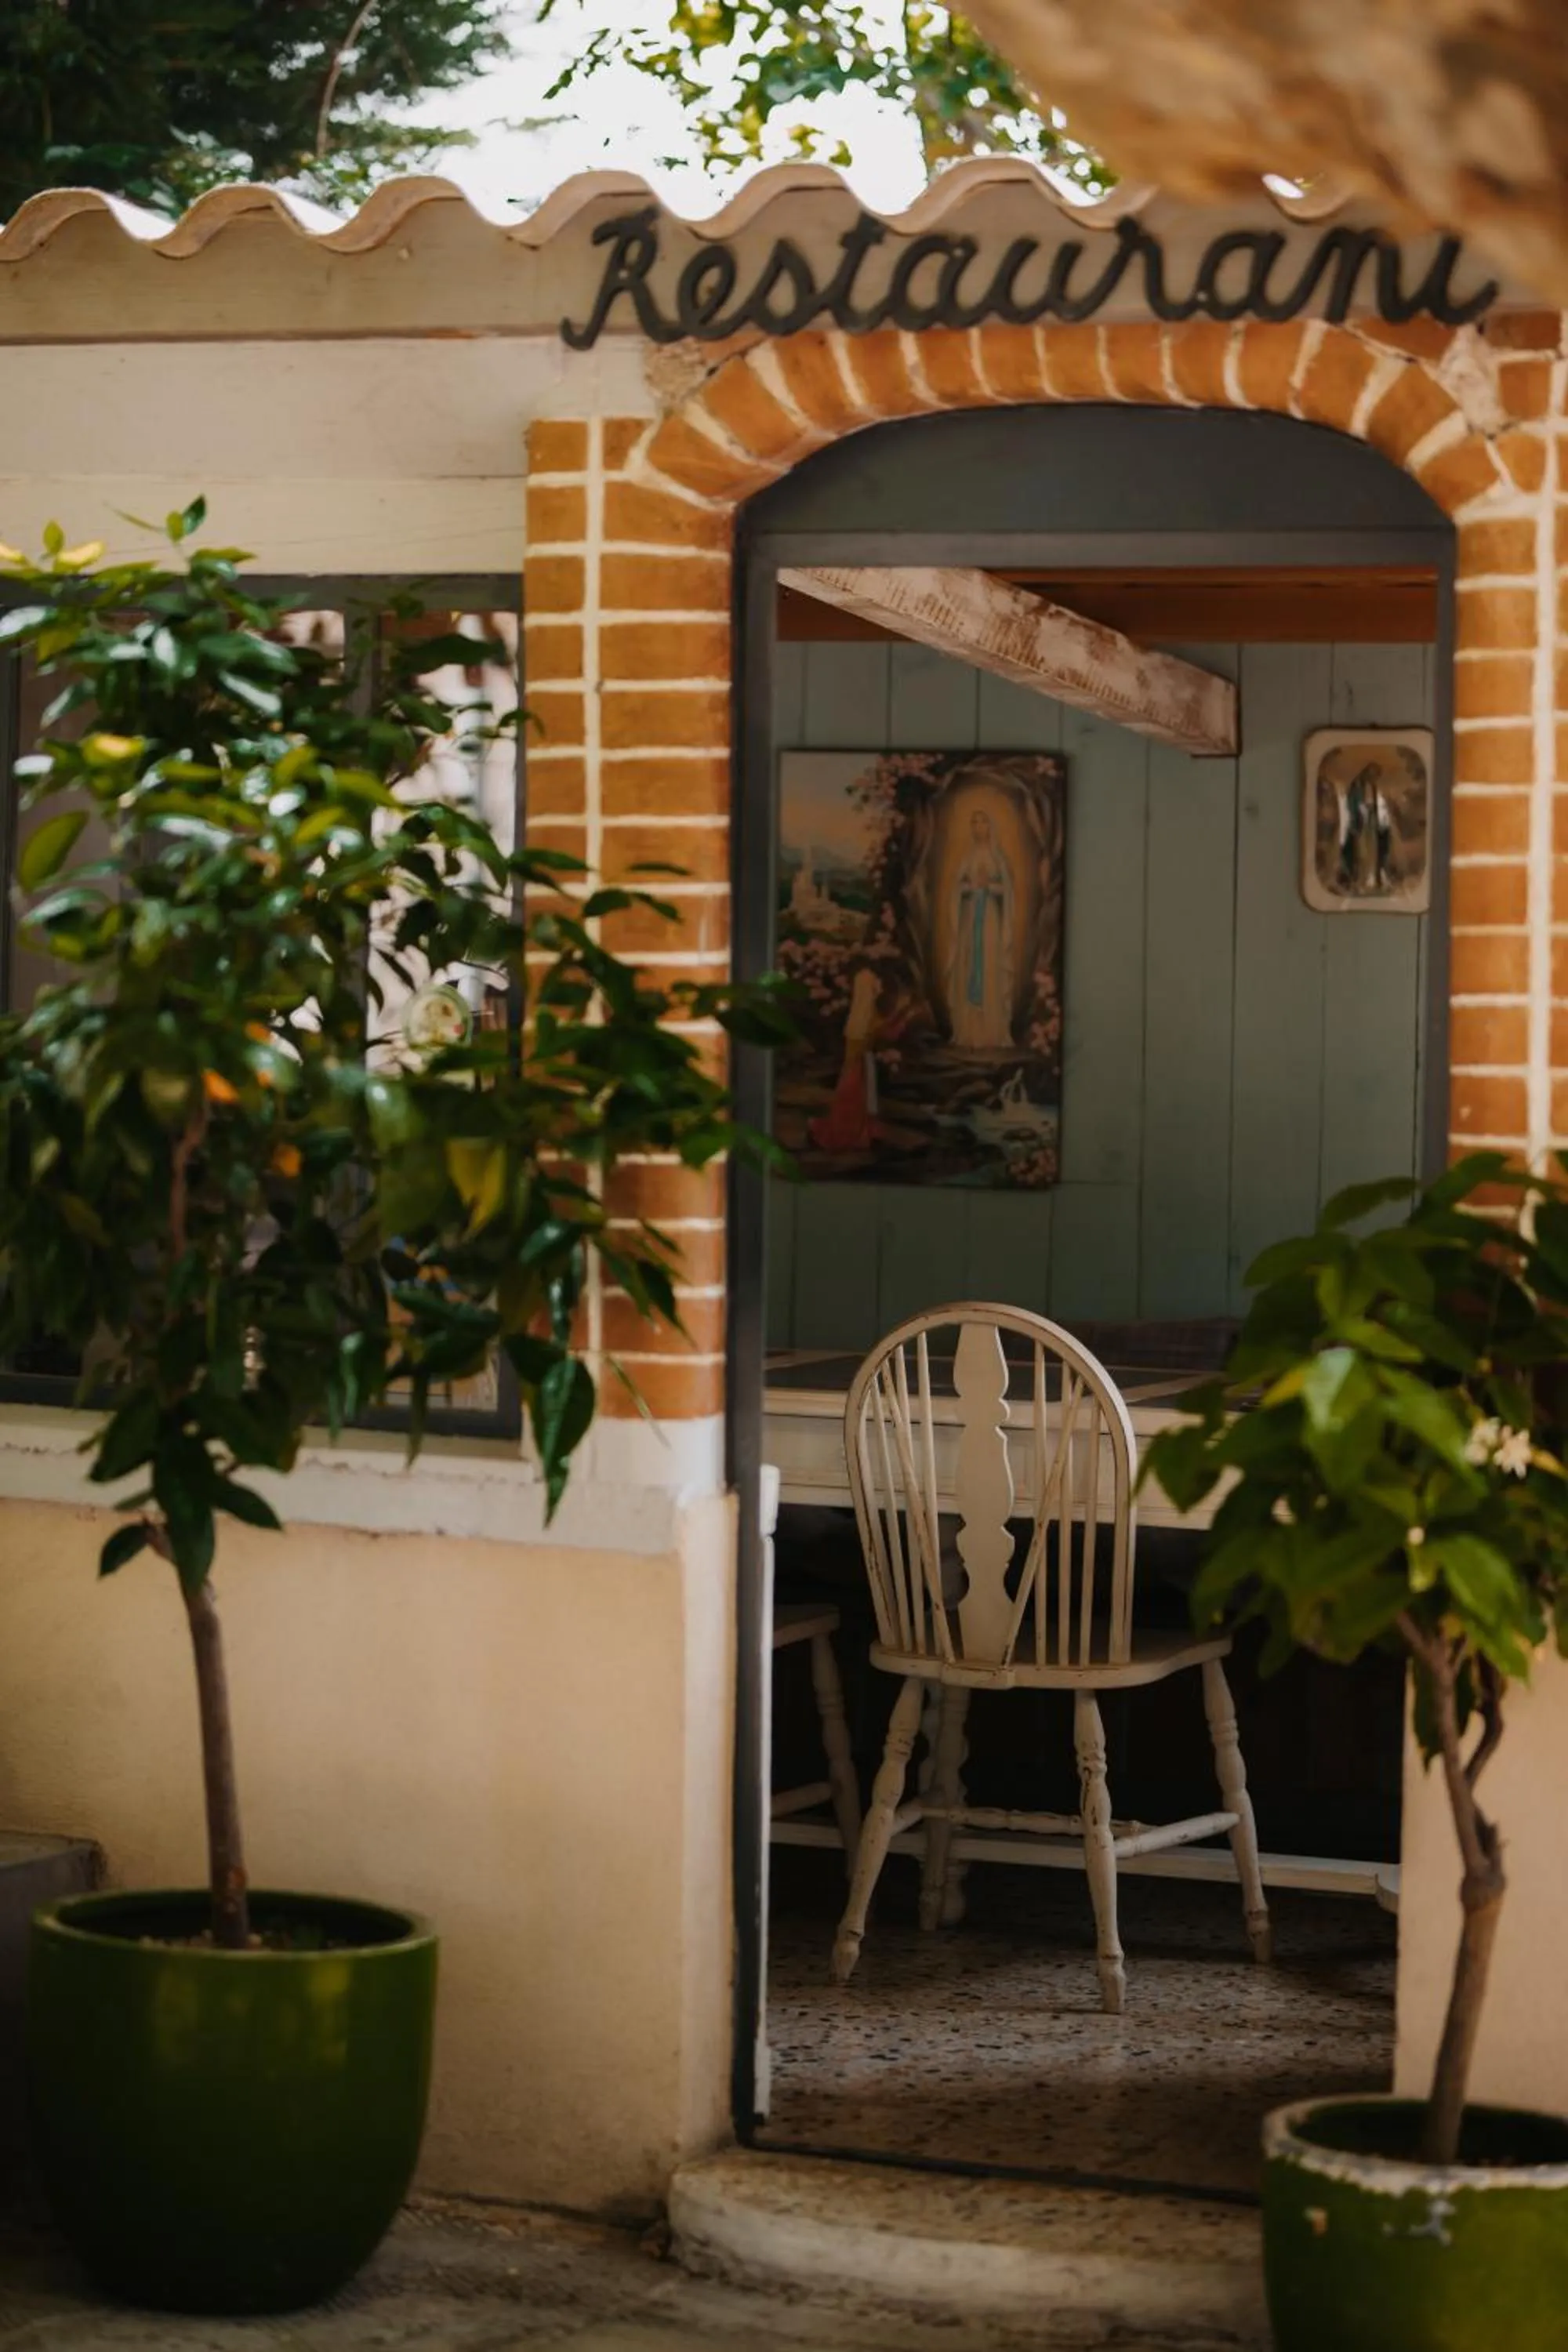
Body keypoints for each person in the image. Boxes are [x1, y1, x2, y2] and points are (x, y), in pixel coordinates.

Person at [946, 805, 1016, 1050]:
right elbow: (957, 889)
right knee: (969, 966)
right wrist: (969, 888)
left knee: (989, 968)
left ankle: (992, 1035)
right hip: (970, 919)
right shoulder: (967, 858)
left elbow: (1007, 892)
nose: (978, 827)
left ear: (990, 827)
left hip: (989, 921)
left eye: (983, 822)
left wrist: (989, 887)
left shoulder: (997, 858)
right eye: (974, 823)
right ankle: (968, 1034)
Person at [808, 962, 884, 1154]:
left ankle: (855, 1127)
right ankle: (852, 1129)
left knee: (853, 1080)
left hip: (856, 1036)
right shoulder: (869, 988)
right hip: (861, 1038)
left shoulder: (862, 983)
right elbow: (868, 1017)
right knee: (855, 1082)